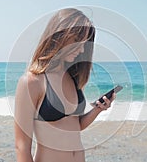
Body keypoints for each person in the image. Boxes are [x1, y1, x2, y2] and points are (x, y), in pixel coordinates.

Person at [14, 8, 116, 162]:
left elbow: (76, 126)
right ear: (59, 36)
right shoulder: (32, 82)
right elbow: (21, 146)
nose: (81, 50)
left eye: (84, 44)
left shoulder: (72, 78)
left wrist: (97, 110)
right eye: (77, 41)